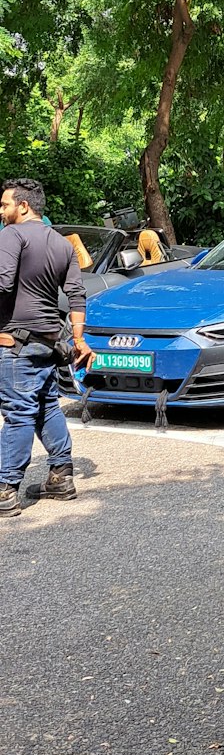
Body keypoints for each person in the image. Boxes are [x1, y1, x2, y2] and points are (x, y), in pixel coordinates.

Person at [0, 177, 91, 516]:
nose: (2, 211)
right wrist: (79, 338)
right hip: (48, 343)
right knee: (46, 407)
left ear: (23, 206)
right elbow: (77, 295)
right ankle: (61, 477)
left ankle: (6, 489)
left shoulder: (12, 235)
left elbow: (2, 281)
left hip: (14, 344)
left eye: (5, 204)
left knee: (19, 413)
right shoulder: (63, 244)